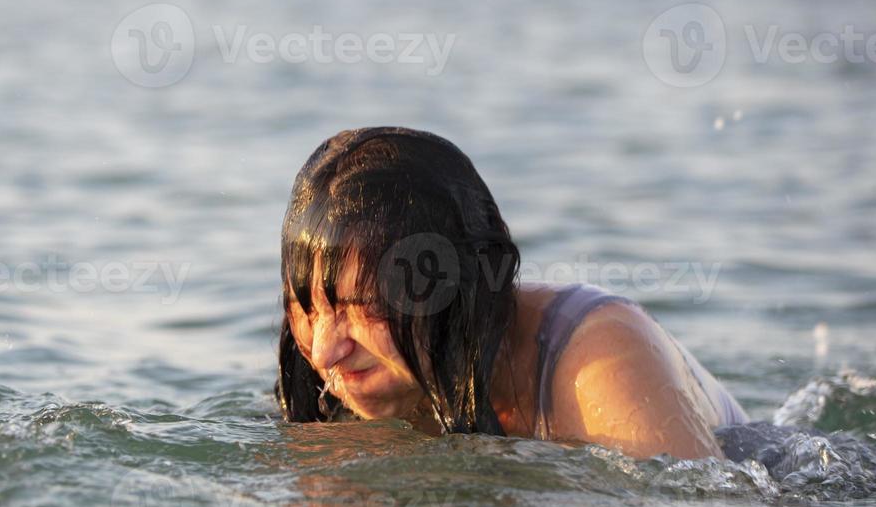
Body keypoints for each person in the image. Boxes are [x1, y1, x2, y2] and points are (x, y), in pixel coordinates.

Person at [275, 127, 747, 461]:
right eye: (307, 308)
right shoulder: (342, 382)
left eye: (365, 308)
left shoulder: (601, 360)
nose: (325, 350)